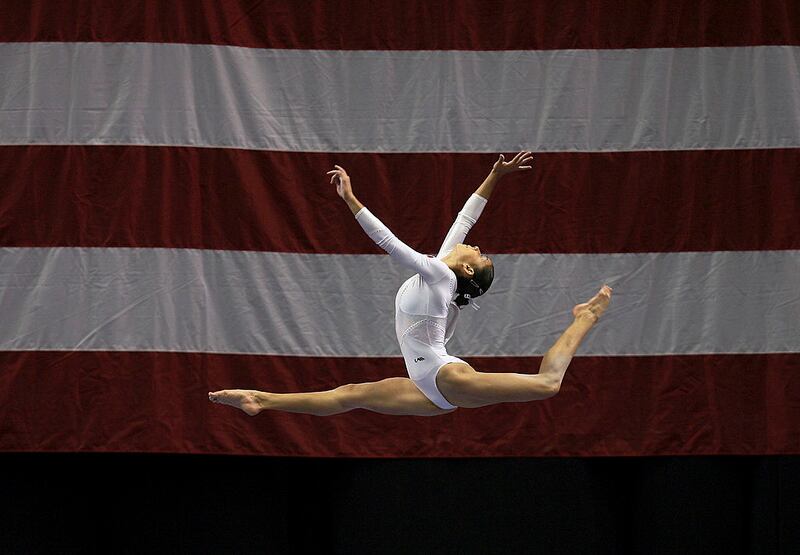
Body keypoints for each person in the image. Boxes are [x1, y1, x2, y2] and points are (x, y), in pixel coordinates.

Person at [209, 152, 611, 416]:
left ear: (468, 271)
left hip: (443, 378)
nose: (476, 247)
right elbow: (465, 219)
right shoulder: (443, 270)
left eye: (481, 256)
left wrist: (351, 199)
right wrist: (494, 175)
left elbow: (388, 242)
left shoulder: (438, 274)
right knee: (349, 394)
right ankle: (259, 399)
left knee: (547, 384)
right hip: (425, 386)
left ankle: (585, 316)